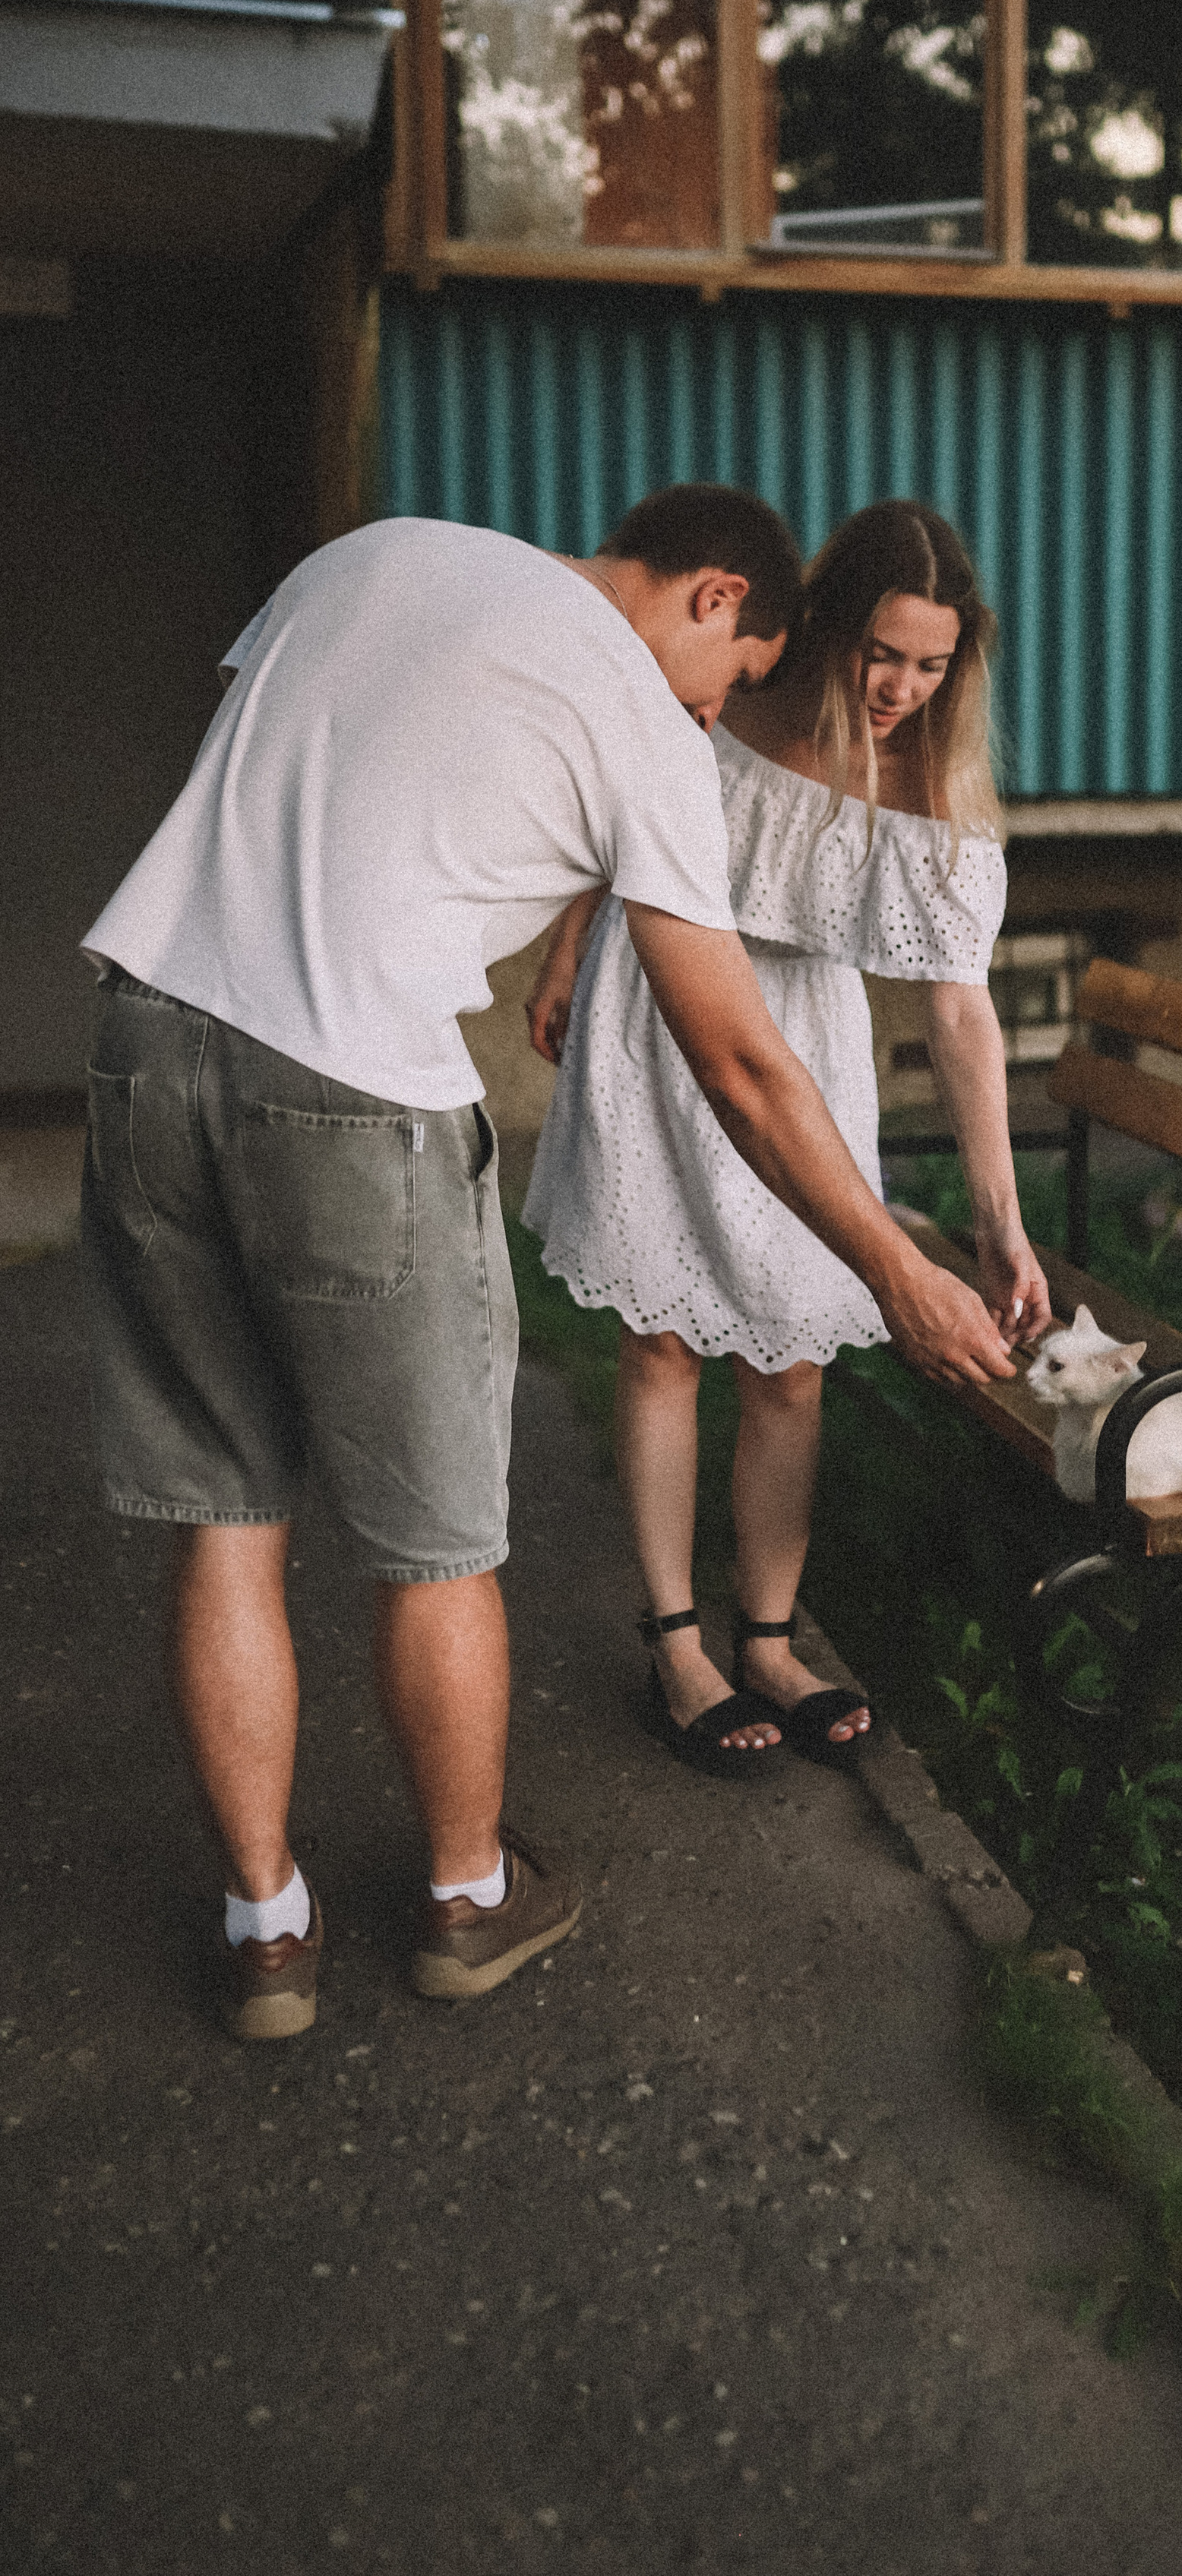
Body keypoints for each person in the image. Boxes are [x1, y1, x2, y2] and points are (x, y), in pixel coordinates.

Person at [78, 489, 1015, 2042]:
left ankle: (266, 1928)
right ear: (714, 595)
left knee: (229, 1519)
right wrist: (898, 1273)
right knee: (438, 1542)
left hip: (143, 1043)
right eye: (724, 678)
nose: (706, 711)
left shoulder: (367, 555)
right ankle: (464, 1895)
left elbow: (308, 779)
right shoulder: (638, 718)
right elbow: (740, 1061)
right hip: (353, 1095)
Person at [521, 501, 1053, 1772]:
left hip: (806, 1049)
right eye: (884, 653)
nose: (900, 687)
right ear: (829, 623)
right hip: (664, 1016)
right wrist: (568, 940)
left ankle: (770, 1637)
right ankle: (675, 1643)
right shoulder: (732, 697)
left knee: (794, 1351)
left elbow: (961, 1014)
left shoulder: (936, 777)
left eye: (932, 665)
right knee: (660, 1343)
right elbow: (626, 825)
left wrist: (1000, 1220)